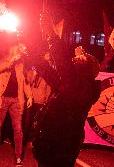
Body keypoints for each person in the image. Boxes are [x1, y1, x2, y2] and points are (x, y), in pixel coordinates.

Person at [31, 12, 100, 167]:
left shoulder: (79, 86)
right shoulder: (70, 84)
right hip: (51, 143)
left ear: (86, 70)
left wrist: (51, 32)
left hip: (61, 145)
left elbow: (62, 61)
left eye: (80, 59)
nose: (74, 58)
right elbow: (46, 70)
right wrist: (27, 44)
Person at [0, 43, 32, 166]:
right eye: (17, 50)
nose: (19, 52)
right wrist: (11, 60)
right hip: (2, 100)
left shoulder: (21, 65)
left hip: (17, 100)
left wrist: (30, 96)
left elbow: (25, 82)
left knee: (18, 129)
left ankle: (18, 157)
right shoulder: (5, 60)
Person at [23, 64, 52, 146]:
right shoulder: (33, 75)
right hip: (31, 101)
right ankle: (25, 139)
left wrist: (46, 100)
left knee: (37, 122)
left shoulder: (46, 78)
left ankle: (33, 140)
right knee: (28, 121)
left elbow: (48, 89)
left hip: (40, 103)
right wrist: (33, 75)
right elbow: (27, 83)